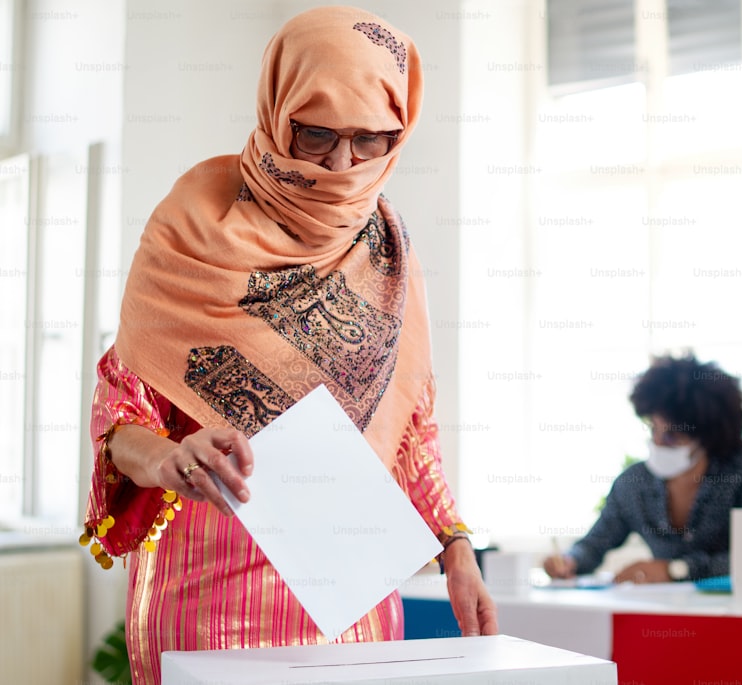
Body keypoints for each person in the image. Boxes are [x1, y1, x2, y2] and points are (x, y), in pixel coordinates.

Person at [80, 8, 496, 684]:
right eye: (316, 134)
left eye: (371, 140)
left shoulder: (388, 253)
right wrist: (170, 458)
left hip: (350, 599)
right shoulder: (193, 226)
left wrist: (457, 547)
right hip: (204, 594)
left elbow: (412, 432)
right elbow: (120, 417)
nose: (340, 163)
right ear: (278, 111)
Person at [543, 354, 742, 584]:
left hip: (734, 612)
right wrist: (569, 561)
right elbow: (594, 545)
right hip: (661, 616)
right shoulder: (633, 483)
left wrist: (676, 570)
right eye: (653, 429)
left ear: (706, 436)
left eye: (671, 436)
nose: (657, 442)